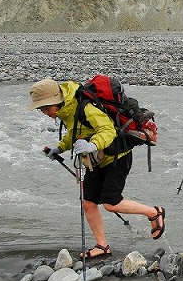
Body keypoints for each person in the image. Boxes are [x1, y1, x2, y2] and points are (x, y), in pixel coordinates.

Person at [29, 78, 165, 258]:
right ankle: (102, 246)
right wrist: (60, 147)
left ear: (57, 100)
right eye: (42, 110)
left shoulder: (85, 107)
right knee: (89, 203)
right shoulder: (67, 110)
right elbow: (77, 132)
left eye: (46, 108)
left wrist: (91, 145)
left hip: (117, 156)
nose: (45, 113)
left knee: (110, 203)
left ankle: (154, 212)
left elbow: (108, 130)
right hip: (95, 160)